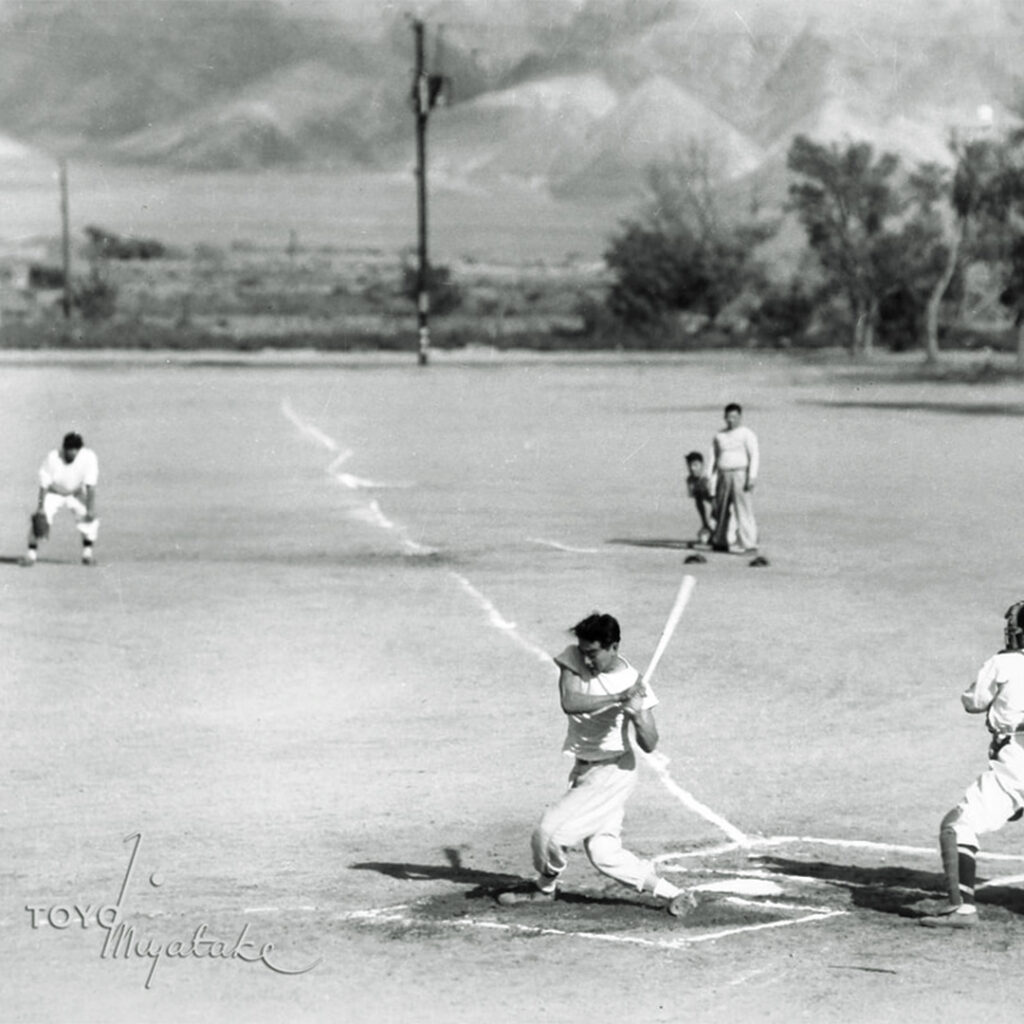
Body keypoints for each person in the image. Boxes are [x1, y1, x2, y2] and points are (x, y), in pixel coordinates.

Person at [497, 612, 696, 917]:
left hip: (613, 771)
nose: (587, 660)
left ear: (613, 647)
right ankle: (676, 894)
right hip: (583, 769)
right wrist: (618, 698)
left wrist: (637, 715)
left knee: (549, 834)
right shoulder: (575, 659)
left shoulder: (633, 681)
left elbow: (650, 743)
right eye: (584, 651)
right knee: (605, 853)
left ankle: (544, 889)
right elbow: (570, 701)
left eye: (594, 653)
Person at [913, 601, 1024, 929]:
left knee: (957, 826)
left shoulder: (1003, 663)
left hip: (1017, 765)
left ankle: (962, 908)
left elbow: (973, 702)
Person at [22, 431, 100, 567]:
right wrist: (40, 508)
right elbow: (44, 485)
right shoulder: (53, 457)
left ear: (80, 449)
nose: (72, 453)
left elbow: (90, 486)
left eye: (76, 449)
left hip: (76, 493)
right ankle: (31, 555)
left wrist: (90, 509)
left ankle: (87, 554)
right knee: (40, 519)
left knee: (90, 519)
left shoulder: (89, 457)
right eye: (70, 449)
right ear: (64, 448)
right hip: (54, 492)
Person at [710, 403, 759, 554]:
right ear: (725, 417)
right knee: (721, 509)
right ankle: (720, 541)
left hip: (740, 473)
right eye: (729, 417)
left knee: (743, 510)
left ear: (740, 417)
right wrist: (710, 478)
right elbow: (713, 458)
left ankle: (749, 543)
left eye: (735, 417)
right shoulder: (719, 435)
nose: (731, 420)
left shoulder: (747, 434)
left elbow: (754, 455)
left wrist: (751, 477)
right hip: (723, 474)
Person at [684, 450, 715, 544]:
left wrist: (712, 524)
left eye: (695, 465)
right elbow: (698, 502)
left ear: (702, 465)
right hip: (716, 507)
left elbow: (717, 503)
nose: (692, 468)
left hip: (729, 508)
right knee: (705, 537)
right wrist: (705, 524)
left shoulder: (709, 479)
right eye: (689, 465)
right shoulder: (690, 480)